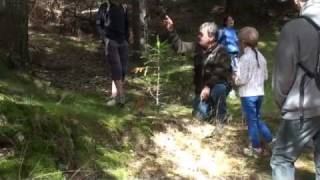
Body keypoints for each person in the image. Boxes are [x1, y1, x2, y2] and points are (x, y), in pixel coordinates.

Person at [271, 0, 320, 179]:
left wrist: (282, 102)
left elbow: (283, 76)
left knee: (282, 159)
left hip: (303, 106)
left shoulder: (294, 28)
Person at [163, 15, 232, 123]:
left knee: (220, 88)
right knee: (199, 117)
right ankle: (212, 111)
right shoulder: (197, 47)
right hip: (201, 91)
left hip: (216, 86)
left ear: (211, 37)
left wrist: (208, 86)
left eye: (201, 34)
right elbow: (180, 47)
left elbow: (220, 73)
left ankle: (222, 117)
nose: (198, 36)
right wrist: (171, 30)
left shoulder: (222, 52)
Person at [234, 27, 273, 157]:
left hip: (248, 95)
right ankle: (271, 140)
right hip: (259, 93)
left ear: (243, 42)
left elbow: (242, 80)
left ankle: (256, 148)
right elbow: (266, 76)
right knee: (257, 118)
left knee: (251, 121)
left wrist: (235, 78)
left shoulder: (245, 58)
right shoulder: (261, 57)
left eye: (239, 42)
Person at [96, 0, 129, 106]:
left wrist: (127, 39)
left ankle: (115, 97)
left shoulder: (123, 7)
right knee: (117, 68)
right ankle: (121, 97)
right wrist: (105, 39)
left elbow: (127, 24)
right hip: (111, 41)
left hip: (123, 42)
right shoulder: (105, 6)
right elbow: (98, 24)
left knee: (123, 70)